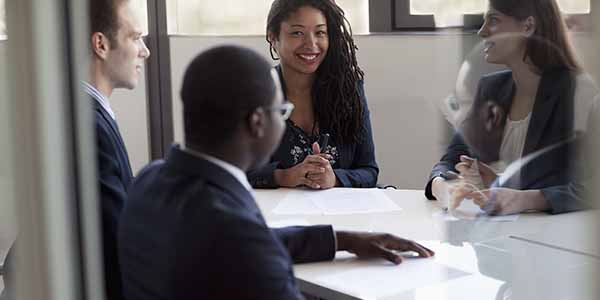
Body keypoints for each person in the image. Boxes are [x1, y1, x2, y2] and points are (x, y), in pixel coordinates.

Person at [118, 45, 434, 300]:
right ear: (257, 122)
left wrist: (343, 240)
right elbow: (246, 244)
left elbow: (249, 243)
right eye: (281, 111)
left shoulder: (149, 180)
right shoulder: (233, 230)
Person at [425, 0, 598, 215]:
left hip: (555, 233)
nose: (482, 32)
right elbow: (451, 160)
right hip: (499, 234)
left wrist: (525, 198)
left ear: (527, 27)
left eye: (493, 20)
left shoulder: (577, 91)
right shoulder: (492, 88)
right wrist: (442, 184)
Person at [248, 0, 378, 189]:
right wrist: (283, 176)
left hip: (340, 214)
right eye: (297, 33)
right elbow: (236, 171)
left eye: (320, 33)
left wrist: (334, 179)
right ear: (273, 37)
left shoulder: (349, 90)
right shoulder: (256, 92)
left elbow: (369, 171)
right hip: (277, 215)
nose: (311, 44)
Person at [85, 0, 150, 298]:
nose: (145, 51)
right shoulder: (89, 128)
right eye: (135, 37)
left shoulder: (91, 114)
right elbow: (115, 244)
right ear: (101, 44)